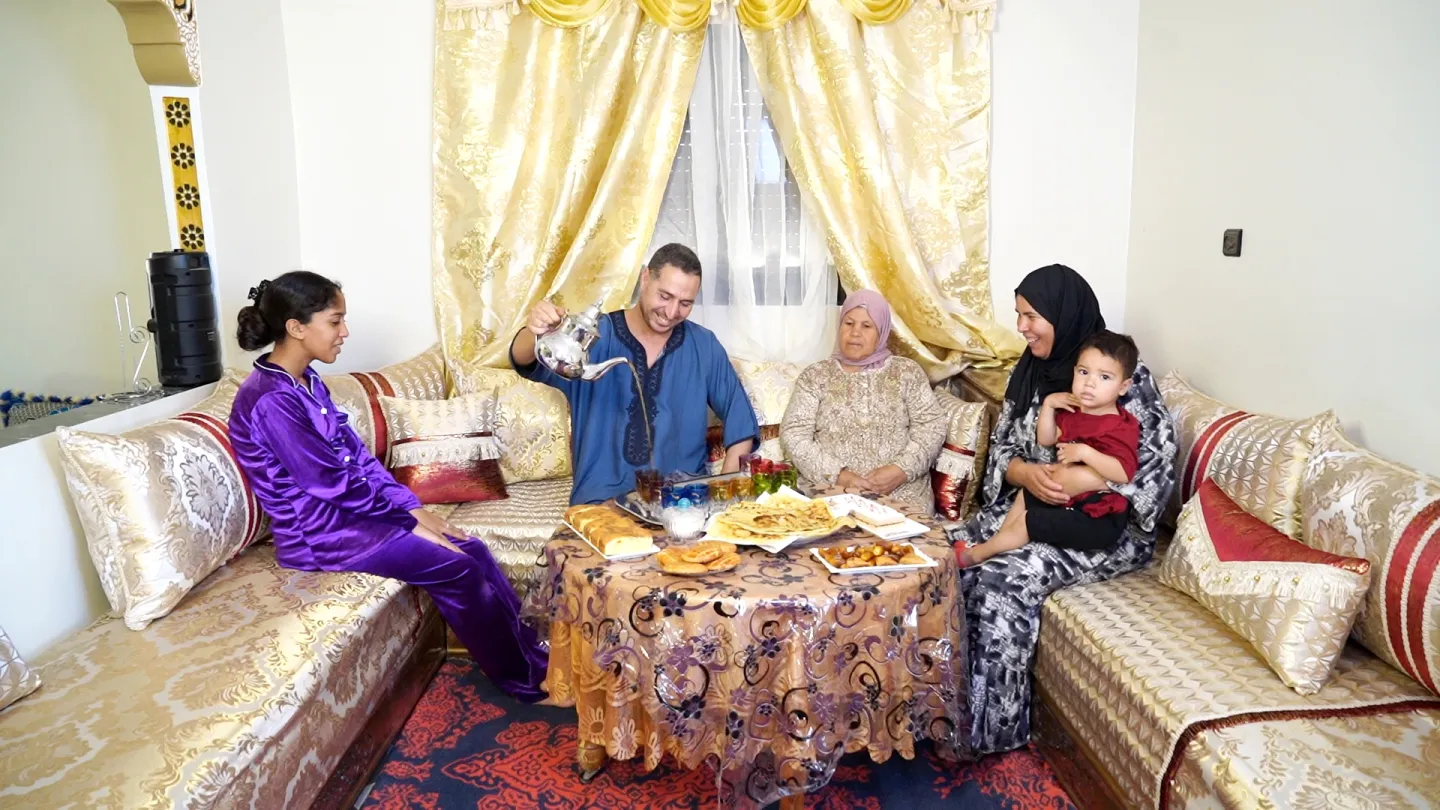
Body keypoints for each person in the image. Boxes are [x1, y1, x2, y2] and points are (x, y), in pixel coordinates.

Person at [228, 271, 548, 702]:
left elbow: (357, 457)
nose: (345, 332)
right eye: (335, 321)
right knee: (458, 567)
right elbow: (330, 483)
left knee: (471, 546)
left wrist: (411, 507)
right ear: (296, 327)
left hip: (352, 518)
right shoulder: (271, 399)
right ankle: (523, 683)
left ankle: (539, 661)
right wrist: (407, 523)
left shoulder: (306, 382)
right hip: (320, 534)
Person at [955, 264, 1176, 755]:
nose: (1022, 327)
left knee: (1001, 579)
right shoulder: (1034, 369)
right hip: (1036, 498)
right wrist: (1026, 473)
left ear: (1063, 314)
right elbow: (1003, 457)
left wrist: (1084, 476)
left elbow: (1154, 473)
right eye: (1019, 315)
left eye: (1031, 316)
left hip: (1103, 526)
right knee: (954, 557)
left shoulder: (1123, 378)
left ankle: (992, 732)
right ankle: (944, 709)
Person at [510, 244, 760, 505]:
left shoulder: (704, 345)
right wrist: (536, 330)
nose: (672, 312)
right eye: (665, 296)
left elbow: (739, 417)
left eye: (685, 303)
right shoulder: (595, 337)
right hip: (600, 505)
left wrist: (724, 496)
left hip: (684, 504)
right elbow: (524, 359)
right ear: (645, 278)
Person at [957, 330, 1141, 566]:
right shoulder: (1077, 412)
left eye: (1104, 377)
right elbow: (1047, 438)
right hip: (1071, 502)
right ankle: (999, 544)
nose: (1090, 383)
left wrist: (1085, 452)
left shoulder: (1120, 426)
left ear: (1123, 386)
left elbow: (1123, 473)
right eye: (1083, 372)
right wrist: (1049, 405)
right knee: (1026, 494)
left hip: (1098, 518)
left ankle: (977, 555)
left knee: (1028, 520)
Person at [780, 290, 946, 512]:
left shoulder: (907, 372)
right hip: (833, 492)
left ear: (882, 331)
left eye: (866, 326)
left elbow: (931, 428)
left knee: (901, 544)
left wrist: (900, 470)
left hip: (901, 493)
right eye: (849, 323)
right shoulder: (816, 376)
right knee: (830, 540)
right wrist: (839, 475)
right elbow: (794, 434)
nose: (855, 333)